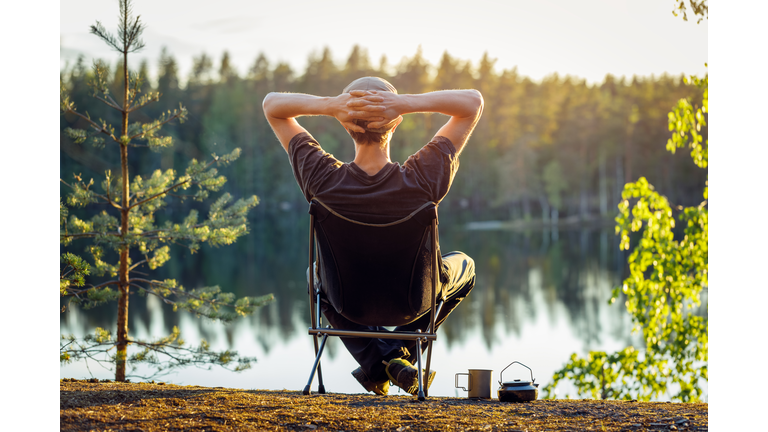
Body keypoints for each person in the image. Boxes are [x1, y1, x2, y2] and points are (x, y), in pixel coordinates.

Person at [262, 77, 483, 395]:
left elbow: (272, 105)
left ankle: (380, 361)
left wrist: (331, 105)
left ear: (345, 125)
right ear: (395, 125)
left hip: (348, 304)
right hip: (414, 301)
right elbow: (473, 103)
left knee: (315, 274)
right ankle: (396, 355)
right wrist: (405, 103)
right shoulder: (423, 178)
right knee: (466, 265)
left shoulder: (321, 179)